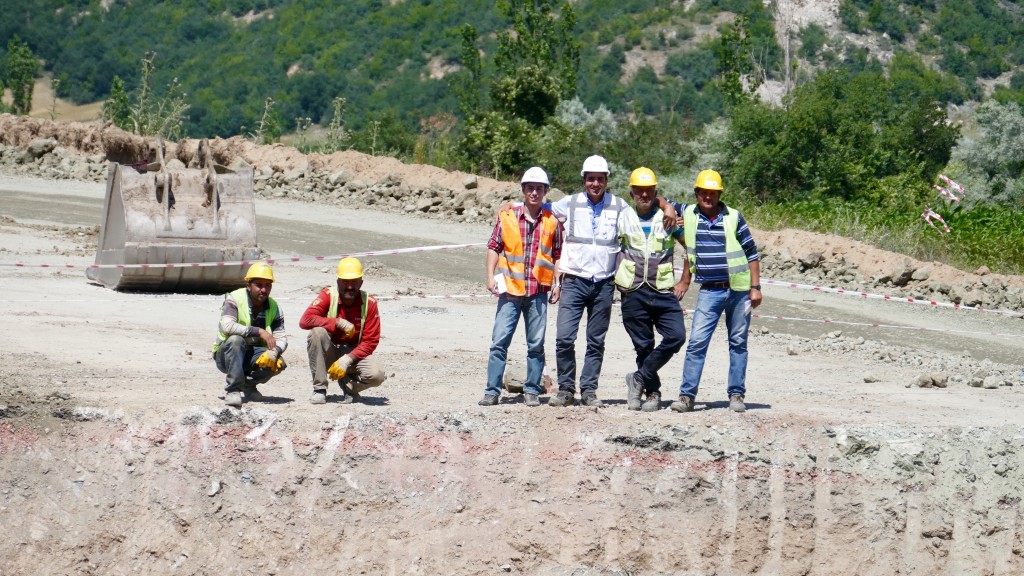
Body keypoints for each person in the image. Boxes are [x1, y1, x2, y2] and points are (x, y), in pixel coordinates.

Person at [670, 169, 762, 413]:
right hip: (710, 290)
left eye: (712, 193)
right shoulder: (689, 213)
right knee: (697, 343)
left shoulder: (733, 217)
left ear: (719, 194)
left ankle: (736, 395)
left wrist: (755, 287)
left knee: (738, 342)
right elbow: (660, 201)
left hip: (739, 290)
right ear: (697, 193)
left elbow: (752, 253)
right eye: (703, 193)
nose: (707, 197)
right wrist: (669, 209)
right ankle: (687, 396)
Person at [478, 167, 563, 407]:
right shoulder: (507, 217)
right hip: (510, 291)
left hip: (538, 292)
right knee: (499, 342)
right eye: (530, 188)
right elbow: (494, 246)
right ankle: (492, 391)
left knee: (536, 345)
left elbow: (557, 255)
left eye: (539, 188)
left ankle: (532, 390)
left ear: (546, 191)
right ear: (523, 190)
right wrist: (489, 276)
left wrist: (558, 283)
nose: (534, 192)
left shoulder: (552, 221)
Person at [615, 167, 687, 412]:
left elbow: (690, 248)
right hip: (633, 290)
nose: (643, 195)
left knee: (677, 336)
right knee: (644, 345)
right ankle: (653, 393)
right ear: (632, 192)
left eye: (649, 191)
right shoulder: (622, 216)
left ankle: (638, 377)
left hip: (662, 290)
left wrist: (685, 281)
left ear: (655, 192)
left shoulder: (668, 218)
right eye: (639, 191)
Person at [299, 257, 386, 405]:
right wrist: (336, 322)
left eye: (354, 282)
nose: (350, 286)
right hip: (330, 351)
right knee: (316, 333)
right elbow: (305, 321)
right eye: (346, 281)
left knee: (377, 375)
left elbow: (370, 341)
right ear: (338, 281)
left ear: (361, 283)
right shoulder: (328, 295)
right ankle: (319, 389)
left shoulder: (369, 303)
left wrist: (347, 360)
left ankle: (349, 387)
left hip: (353, 355)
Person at [212, 262, 288, 408]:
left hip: (251, 354)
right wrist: (259, 331)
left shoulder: (274, 306)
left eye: (268, 285)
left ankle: (248, 386)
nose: (264, 290)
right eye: (259, 285)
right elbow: (227, 326)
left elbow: (281, 338)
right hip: (226, 355)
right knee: (235, 340)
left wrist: (275, 352)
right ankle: (233, 390)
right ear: (249, 285)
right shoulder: (235, 298)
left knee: (278, 363)